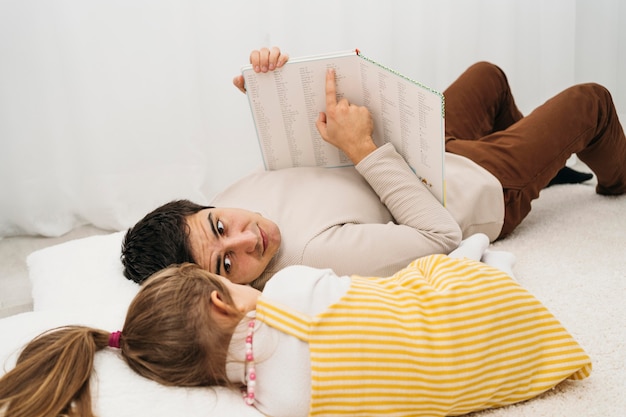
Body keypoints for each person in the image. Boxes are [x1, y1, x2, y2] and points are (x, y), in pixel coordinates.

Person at [121, 47, 626, 287]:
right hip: (469, 187)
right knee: (592, 103)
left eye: (219, 225)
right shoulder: (315, 258)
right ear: (222, 287)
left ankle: (544, 160)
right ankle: (608, 176)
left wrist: (271, 91)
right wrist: (362, 149)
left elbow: (303, 163)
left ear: (206, 207)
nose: (246, 239)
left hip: (417, 150)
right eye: (227, 264)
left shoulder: (235, 193)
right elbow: (442, 239)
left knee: (486, 76)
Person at [0, 237, 592, 417]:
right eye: (232, 283)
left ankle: (490, 274)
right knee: (423, 276)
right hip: (482, 316)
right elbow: (378, 301)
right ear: (219, 304)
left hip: (494, 376)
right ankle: (490, 272)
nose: (247, 284)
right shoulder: (287, 292)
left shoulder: (274, 403)